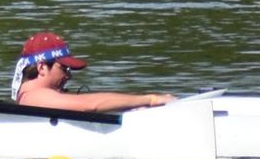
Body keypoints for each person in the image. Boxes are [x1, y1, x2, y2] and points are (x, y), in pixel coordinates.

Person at [11, 32, 174, 113]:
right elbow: (90, 104)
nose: (68, 76)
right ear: (41, 68)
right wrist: (150, 100)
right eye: (64, 68)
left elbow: (92, 100)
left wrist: (138, 104)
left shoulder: (37, 97)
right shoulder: (35, 96)